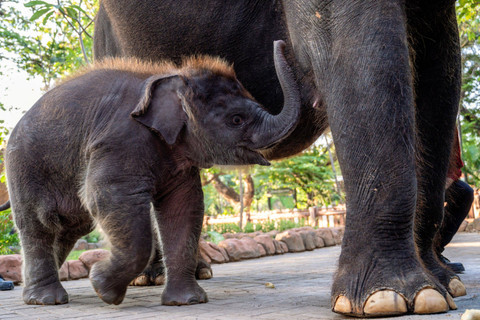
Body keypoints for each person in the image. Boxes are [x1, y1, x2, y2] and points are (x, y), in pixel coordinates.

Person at [435, 128, 474, 273]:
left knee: (464, 193)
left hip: (436, 182)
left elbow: (455, 163)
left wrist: (440, 188)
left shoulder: (444, 116)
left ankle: (433, 250)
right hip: (401, 180)